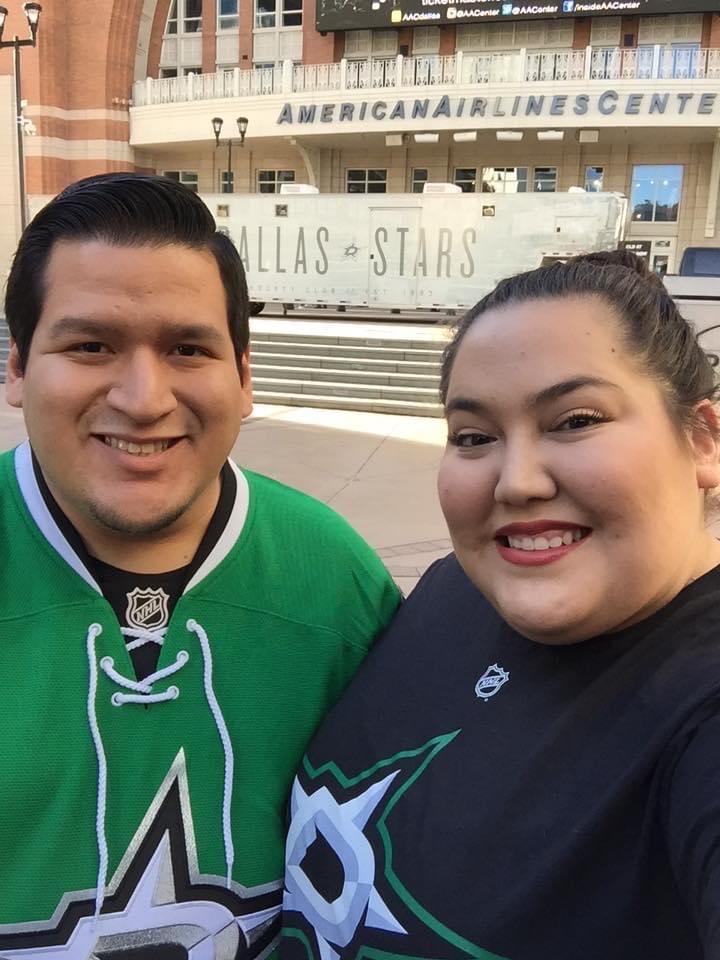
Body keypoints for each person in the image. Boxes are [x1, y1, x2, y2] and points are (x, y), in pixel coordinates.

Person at [0, 172, 399, 958]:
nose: (144, 398)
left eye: (187, 348)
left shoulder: (334, 579)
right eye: (90, 346)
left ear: (244, 376)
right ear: (17, 367)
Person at [281, 250, 720, 959]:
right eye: (474, 437)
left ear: (702, 439)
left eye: (575, 420)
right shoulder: (457, 588)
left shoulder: (699, 705)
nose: (515, 483)